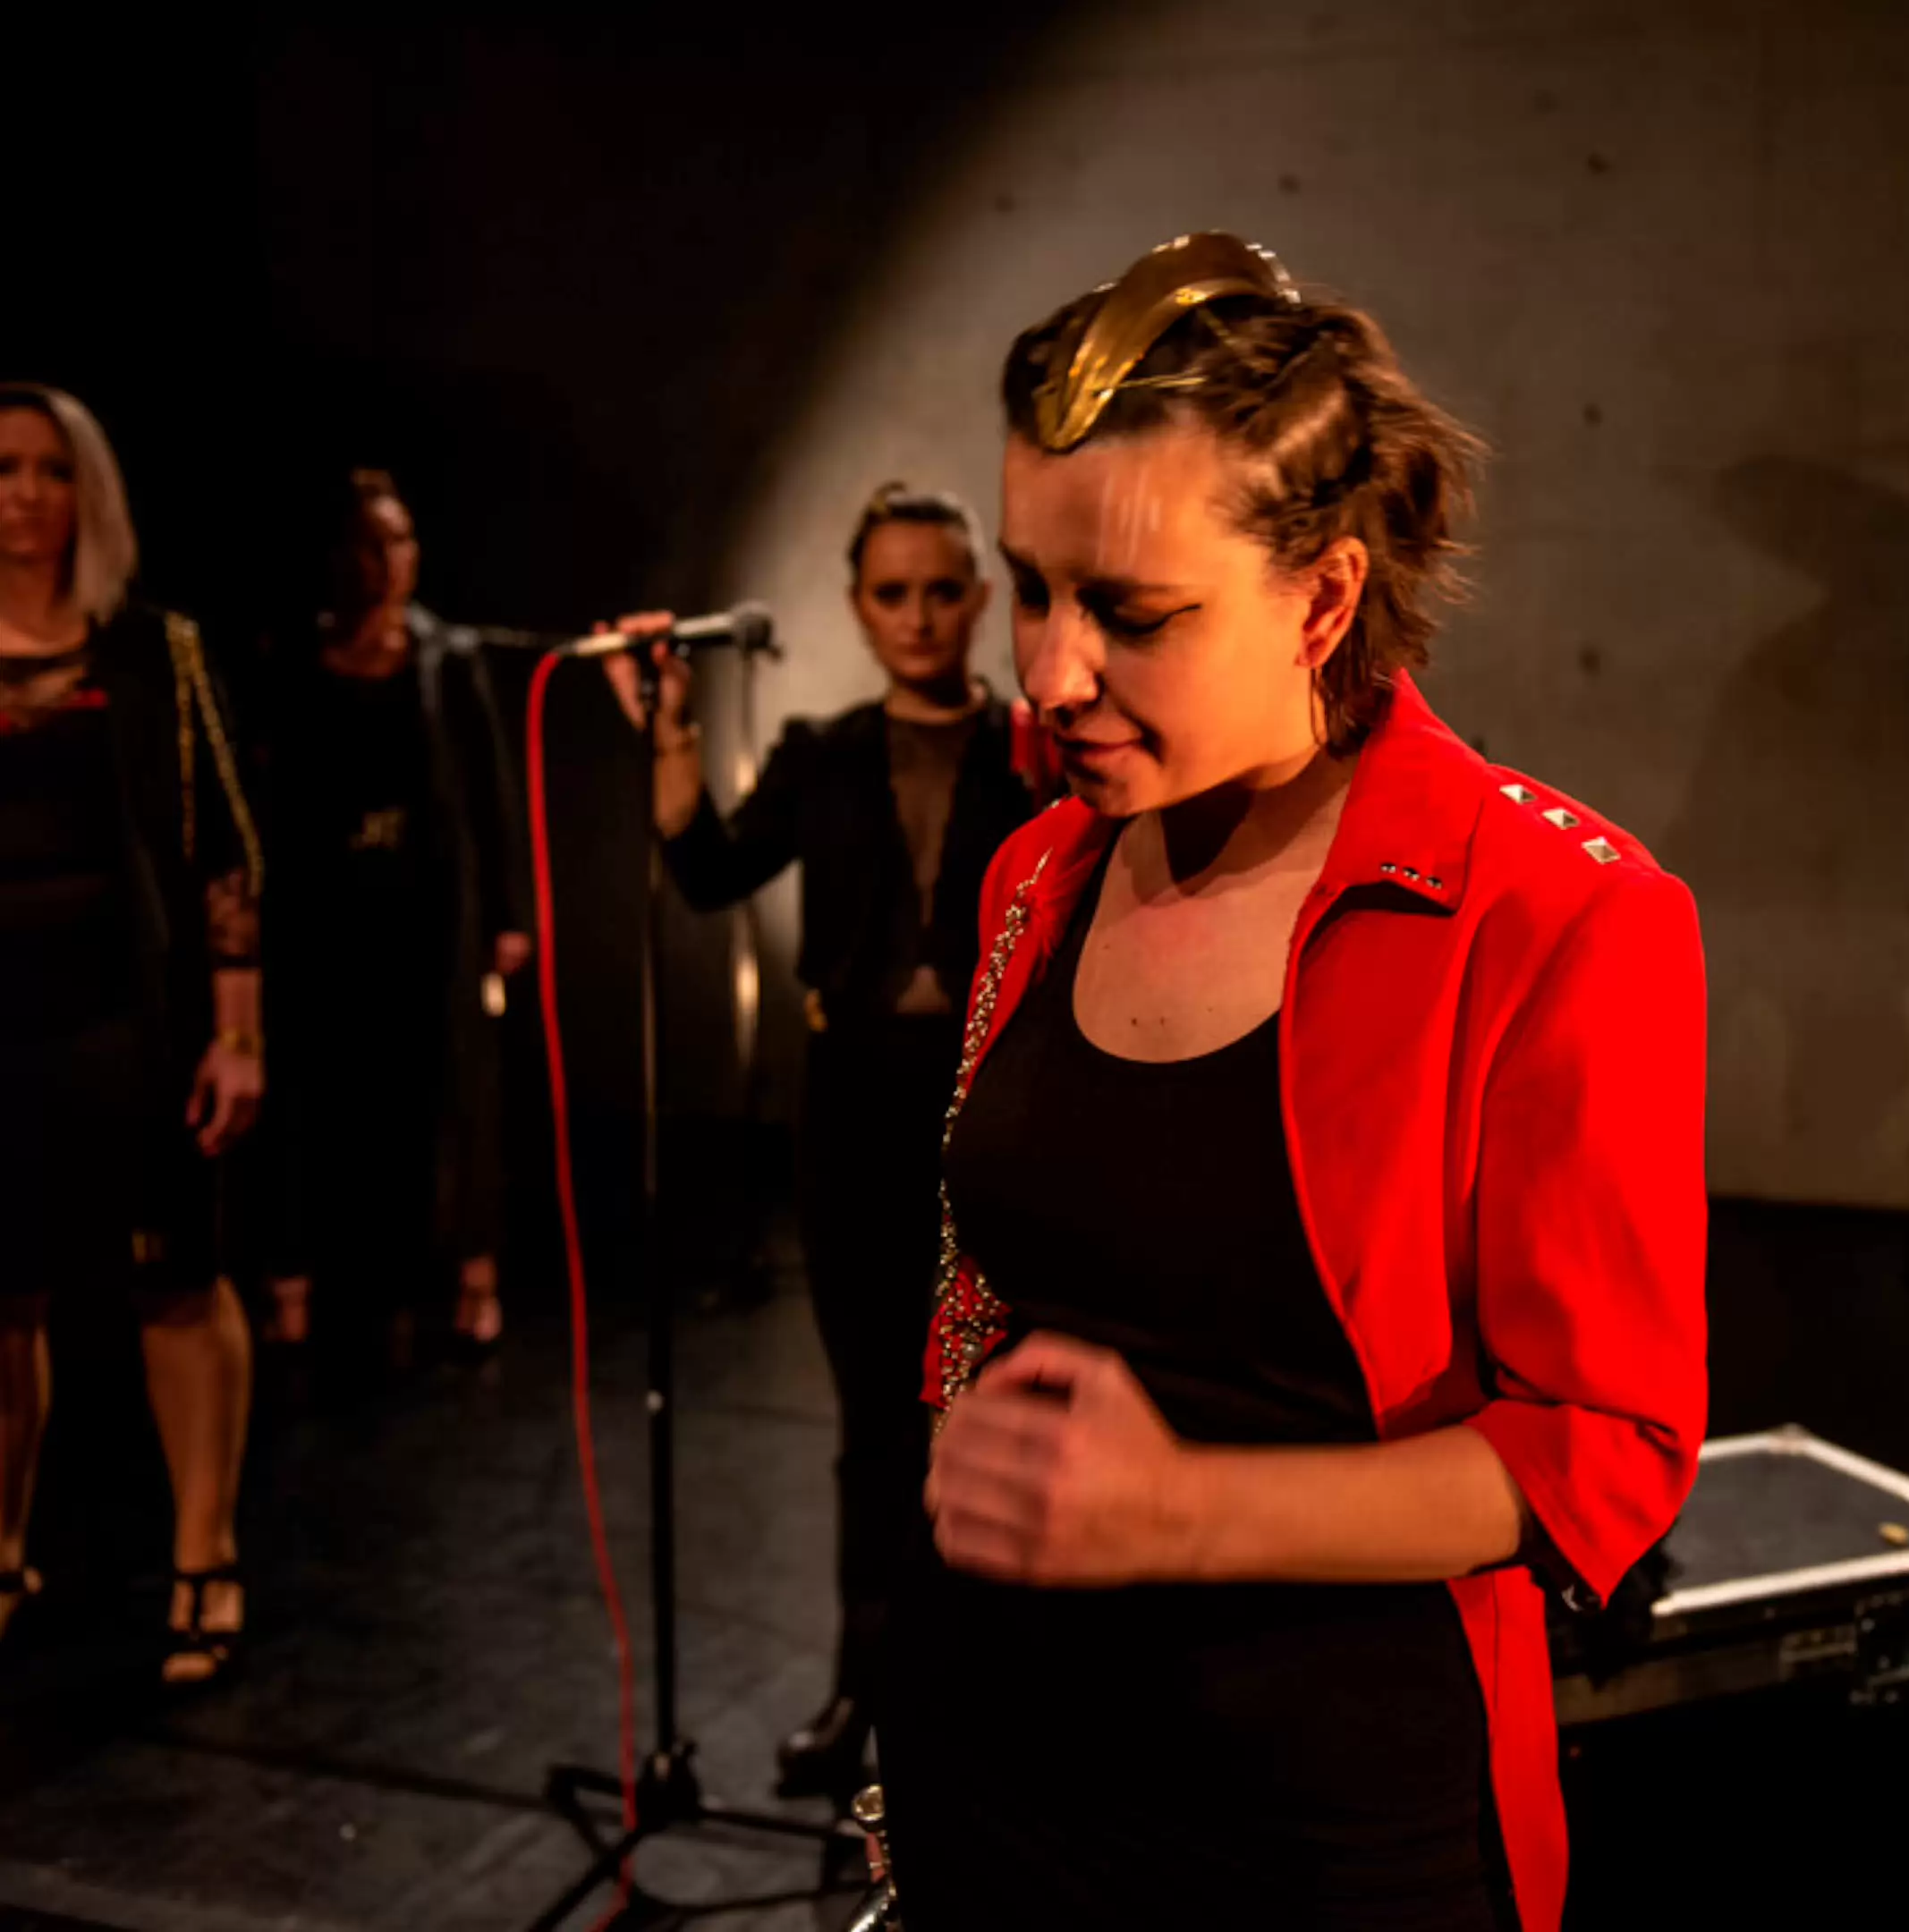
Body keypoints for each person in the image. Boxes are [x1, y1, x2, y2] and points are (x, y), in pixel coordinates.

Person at [878, 233, 1707, 1932]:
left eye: (1132, 613)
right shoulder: (1041, 869)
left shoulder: (1555, 915)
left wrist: (1186, 1512)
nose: (1049, 673)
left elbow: (1605, 1449)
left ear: (1325, 598)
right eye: (1033, 588)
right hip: (1001, 1777)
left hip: (1319, 1837)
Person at [603, 482, 1043, 1799]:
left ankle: (999, 1688)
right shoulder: (822, 753)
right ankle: (870, 1684)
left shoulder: (1036, 750)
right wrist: (671, 736)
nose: (919, 616)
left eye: (942, 590)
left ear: (980, 598)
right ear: (856, 607)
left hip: (999, 1105)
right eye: (892, 593)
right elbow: (709, 871)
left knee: (1000, 1403)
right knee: (875, 1416)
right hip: (853, 1107)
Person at [0, 383, 263, 1685]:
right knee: (4, 1302)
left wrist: (238, 1033)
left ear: (88, 493)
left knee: (176, 1286)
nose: (25, 496)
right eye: (4, 469)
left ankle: (205, 1556)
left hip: (129, 1022)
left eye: (53, 471)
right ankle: (3, 1552)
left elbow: (226, 852)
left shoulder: (155, 649)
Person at [259, 470, 530, 1366]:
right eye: (371, 543)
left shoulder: (447, 658)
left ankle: (473, 1278)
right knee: (319, 1094)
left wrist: (508, 914)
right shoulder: (295, 660)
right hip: (328, 910)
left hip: (431, 910)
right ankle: (299, 1286)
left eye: (402, 540)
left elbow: (491, 793)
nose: (388, 561)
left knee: (453, 1093)